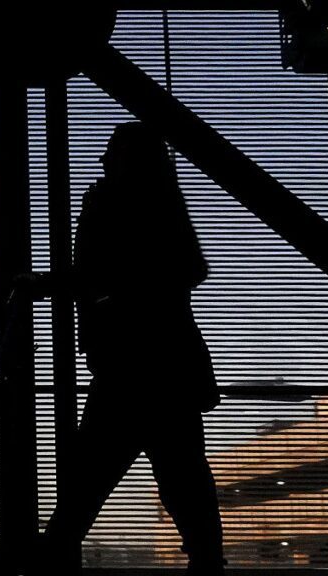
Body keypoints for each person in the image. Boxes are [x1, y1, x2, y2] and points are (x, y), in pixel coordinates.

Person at [42, 122, 225, 574]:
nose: (103, 160)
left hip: (136, 366)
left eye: (113, 152)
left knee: (96, 475)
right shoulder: (153, 203)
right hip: (159, 367)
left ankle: (46, 558)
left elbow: (101, 273)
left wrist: (93, 275)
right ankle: (207, 563)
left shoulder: (131, 205)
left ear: (133, 160)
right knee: (176, 477)